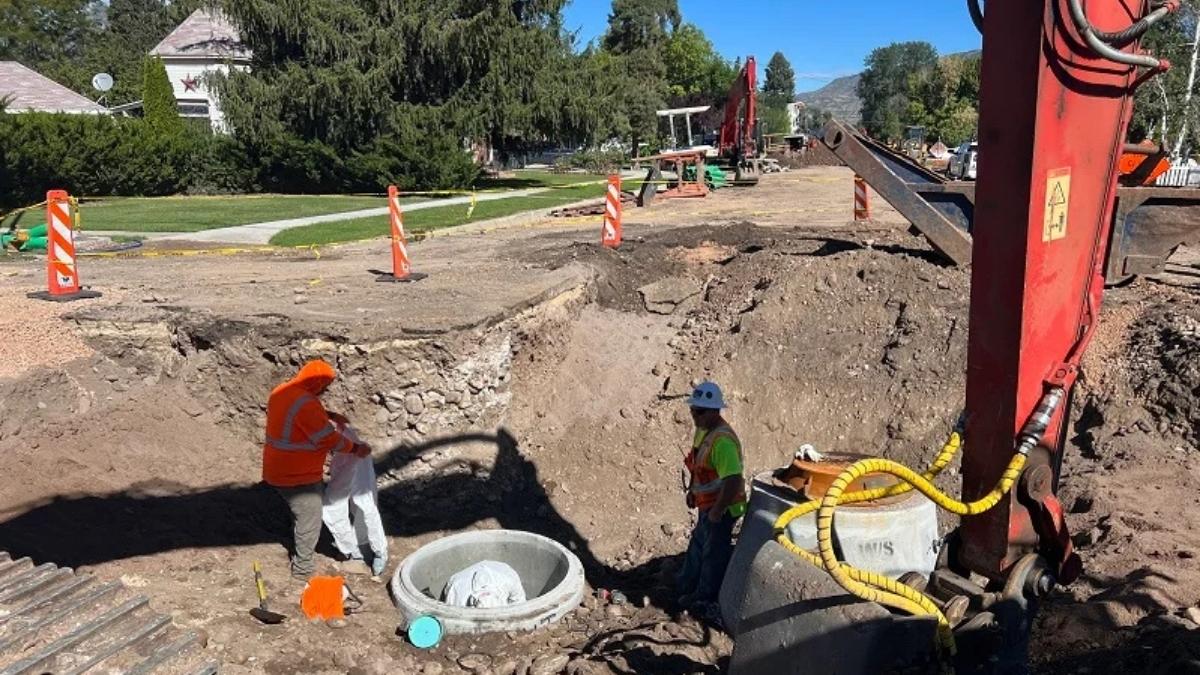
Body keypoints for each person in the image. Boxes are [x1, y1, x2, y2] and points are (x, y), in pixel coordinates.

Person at [262, 359, 371, 579]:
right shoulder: (305, 403)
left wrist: (329, 415)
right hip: (296, 474)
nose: (324, 390)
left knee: (300, 513)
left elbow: (298, 415)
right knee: (310, 516)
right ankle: (303, 569)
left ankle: (301, 545)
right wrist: (355, 448)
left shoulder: (283, 390)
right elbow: (327, 439)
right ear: (317, 382)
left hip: (277, 468)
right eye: (324, 385)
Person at [677, 380, 747, 612]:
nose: (694, 416)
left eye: (699, 411)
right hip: (707, 505)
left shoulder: (723, 442)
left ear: (714, 410)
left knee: (713, 553)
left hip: (723, 508)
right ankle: (685, 585)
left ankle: (704, 598)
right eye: (692, 410)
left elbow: (733, 480)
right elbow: (699, 466)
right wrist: (692, 492)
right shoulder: (703, 431)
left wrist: (717, 511)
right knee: (699, 544)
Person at [321, 418, 388, 577]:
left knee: (364, 505)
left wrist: (356, 448)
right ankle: (350, 549)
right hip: (346, 458)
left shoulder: (320, 418)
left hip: (356, 457)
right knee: (331, 507)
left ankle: (379, 551)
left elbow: (337, 432)